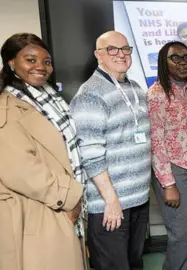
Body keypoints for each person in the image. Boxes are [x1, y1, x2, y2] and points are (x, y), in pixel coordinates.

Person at [0, 33, 85, 270]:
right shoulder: (6, 107)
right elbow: (20, 170)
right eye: (31, 60)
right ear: (11, 63)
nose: (41, 67)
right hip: (38, 210)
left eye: (46, 62)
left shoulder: (48, 97)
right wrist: (69, 198)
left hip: (60, 205)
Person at [70, 31, 151, 270]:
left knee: (134, 263)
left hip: (138, 199)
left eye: (125, 49)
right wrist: (110, 199)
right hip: (110, 204)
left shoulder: (134, 88)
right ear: (98, 55)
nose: (121, 54)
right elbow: (89, 153)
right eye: (112, 49)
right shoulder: (91, 93)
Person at [148, 41, 187, 270]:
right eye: (175, 58)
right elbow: (156, 140)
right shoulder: (157, 94)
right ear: (164, 62)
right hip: (172, 168)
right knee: (183, 232)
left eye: (186, 57)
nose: (183, 62)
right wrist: (168, 183)